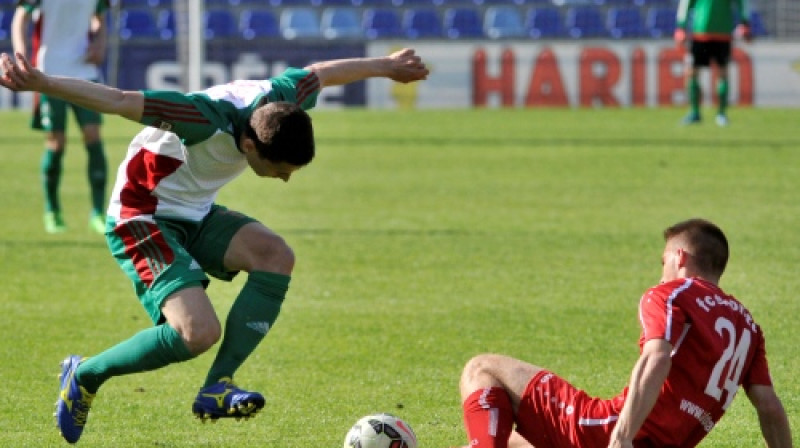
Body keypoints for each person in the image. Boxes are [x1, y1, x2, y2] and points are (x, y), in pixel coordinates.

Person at [0, 48, 428, 444]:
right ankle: (86, 375)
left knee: (276, 255)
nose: (285, 179)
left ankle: (216, 387)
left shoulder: (280, 100)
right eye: (279, 170)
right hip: (142, 216)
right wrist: (43, 83)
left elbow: (318, 74)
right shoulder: (200, 119)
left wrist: (387, 66)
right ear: (247, 145)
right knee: (197, 333)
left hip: (195, 211)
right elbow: (117, 99)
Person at [455, 218, 793, 448]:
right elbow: (769, 406)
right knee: (507, 440)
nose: (663, 273)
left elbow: (657, 357)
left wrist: (621, 435)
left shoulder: (672, 294)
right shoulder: (747, 327)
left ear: (679, 256)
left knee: (481, 368)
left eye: (663, 262)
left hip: (610, 431)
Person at [11, 0, 110, 233]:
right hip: (49, 70)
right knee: (56, 142)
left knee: (93, 136)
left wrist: (99, 44)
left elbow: (101, 18)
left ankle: (98, 213)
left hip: (85, 70)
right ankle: (52, 211)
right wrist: (21, 52)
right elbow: (20, 17)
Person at [674, 0, 753, 127]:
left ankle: (721, 113)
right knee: (692, 72)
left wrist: (745, 23)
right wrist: (680, 27)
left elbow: (741, 3)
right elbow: (685, 4)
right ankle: (695, 112)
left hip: (722, 33)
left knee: (722, 73)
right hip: (700, 32)